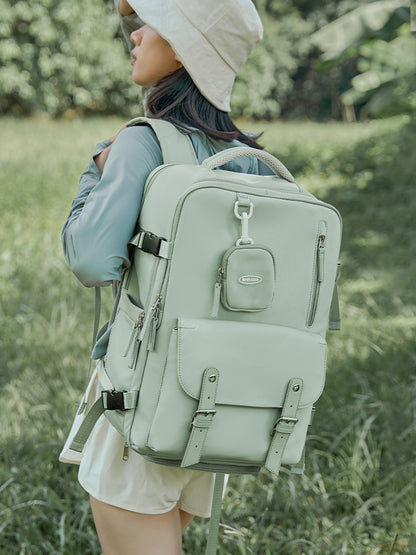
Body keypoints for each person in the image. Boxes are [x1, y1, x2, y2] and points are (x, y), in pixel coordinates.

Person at [61, 1, 271, 553]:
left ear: (183, 43)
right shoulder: (246, 158)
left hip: (145, 402)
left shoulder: (142, 141)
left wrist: (96, 171)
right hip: (218, 402)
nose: (133, 36)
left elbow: (89, 259)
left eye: (147, 23)